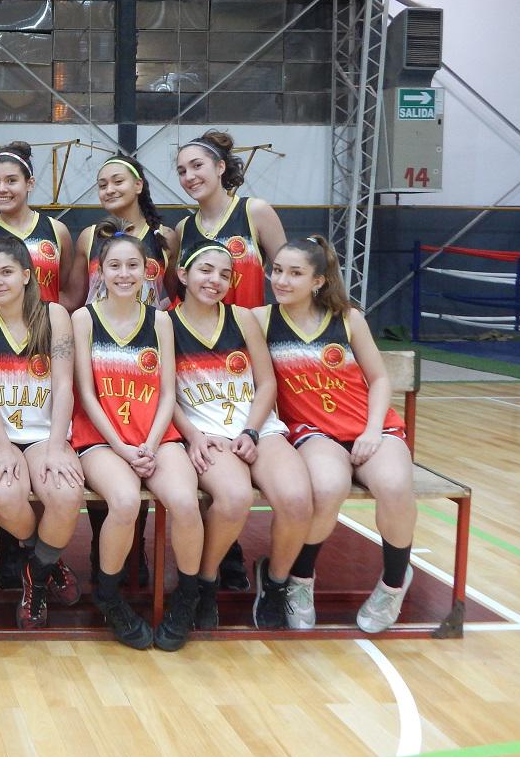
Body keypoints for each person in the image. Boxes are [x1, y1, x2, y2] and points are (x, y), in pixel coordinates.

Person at [264, 236, 418, 633]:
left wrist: (371, 431)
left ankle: (394, 584)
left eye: (295, 273)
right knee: (327, 487)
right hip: (314, 432)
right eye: (277, 270)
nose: (281, 280)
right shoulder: (261, 320)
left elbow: (380, 378)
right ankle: (301, 580)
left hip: (371, 426)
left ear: (318, 281)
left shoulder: (348, 318)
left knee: (396, 486)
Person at [71, 222, 203, 652]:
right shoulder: (83, 319)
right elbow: (86, 394)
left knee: (184, 502)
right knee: (125, 502)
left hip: (154, 437)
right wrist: (123, 448)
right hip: (102, 438)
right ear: (100, 272)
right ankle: (109, 596)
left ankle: (187, 596)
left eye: (132, 265)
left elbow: (169, 391)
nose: (124, 273)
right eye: (114, 266)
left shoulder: (161, 321)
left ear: (148, 270)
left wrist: (148, 441)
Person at [169, 242, 312, 630]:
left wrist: (251, 430)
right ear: (183, 274)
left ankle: (276, 581)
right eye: (205, 270)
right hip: (207, 433)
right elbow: (165, 395)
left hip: (255, 427)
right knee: (234, 499)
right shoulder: (164, 323)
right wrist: (193, 436)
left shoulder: (243, 318)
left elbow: (266, 384)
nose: (215, 280)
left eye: (224, 274)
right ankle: (207, 580)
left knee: (298, 500)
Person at [175, 130, 287, 590]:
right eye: (181, 171)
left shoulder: (254, 211)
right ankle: (226, 553)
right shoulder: (184, 229)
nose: (189, 176)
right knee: (216, 464)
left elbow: (289, 271)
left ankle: (240, 558)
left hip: (252, 342)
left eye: (197, 166)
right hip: (203, 356)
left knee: (254, 447)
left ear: (222, 167)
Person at [0, 236, 82, 629]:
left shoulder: (55, 316)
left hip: (44, 431)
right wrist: (1, 447)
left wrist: (56, 446)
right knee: (6, 494)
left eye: (7, 272)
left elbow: (64, 385)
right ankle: (47, 561)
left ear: (27, 275)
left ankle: (34, 576)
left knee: (65, 496)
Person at [0, 141, 72, 305]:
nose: (2, 189)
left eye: (11, 181)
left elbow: (64, 288)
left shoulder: (57, 231)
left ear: (30, 183)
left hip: (43, 329)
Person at [69, 154, 177, 310]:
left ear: (138, 185)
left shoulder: (164, 236)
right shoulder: (89, 236)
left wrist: (159, 312)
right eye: (102, 185)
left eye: (118, 181)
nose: (109, 190)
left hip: (147, 332)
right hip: (98, 332)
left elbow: (178, 297)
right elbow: (73, 300)